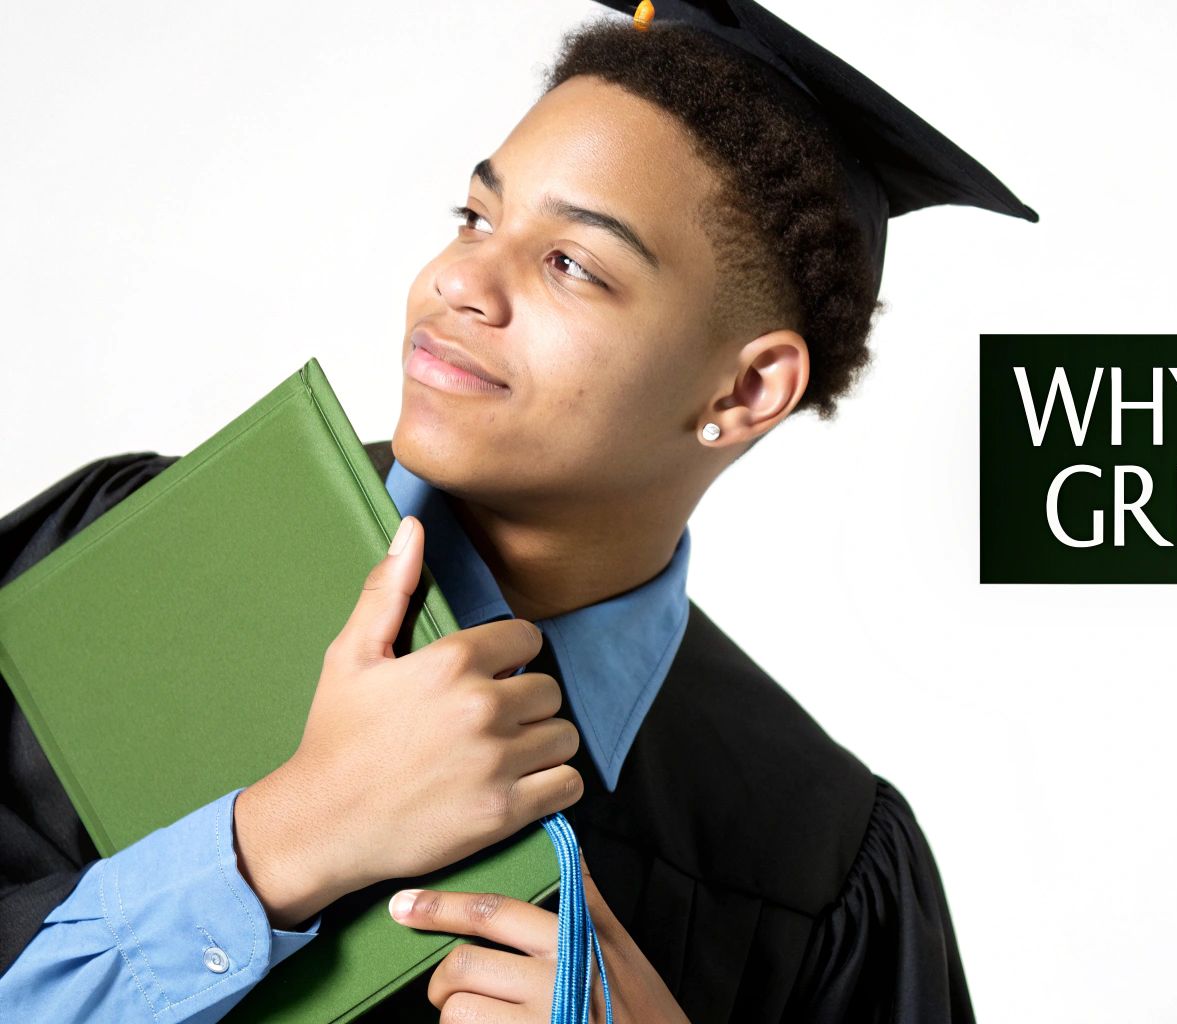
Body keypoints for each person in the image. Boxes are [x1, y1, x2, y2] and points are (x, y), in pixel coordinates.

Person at [0, 1, 1036, 1022]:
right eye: (476, 217)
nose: (458, 280)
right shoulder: (132, 555)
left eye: (571, 264)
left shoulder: (812, 854)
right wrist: (279, 844)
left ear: (744, 391)